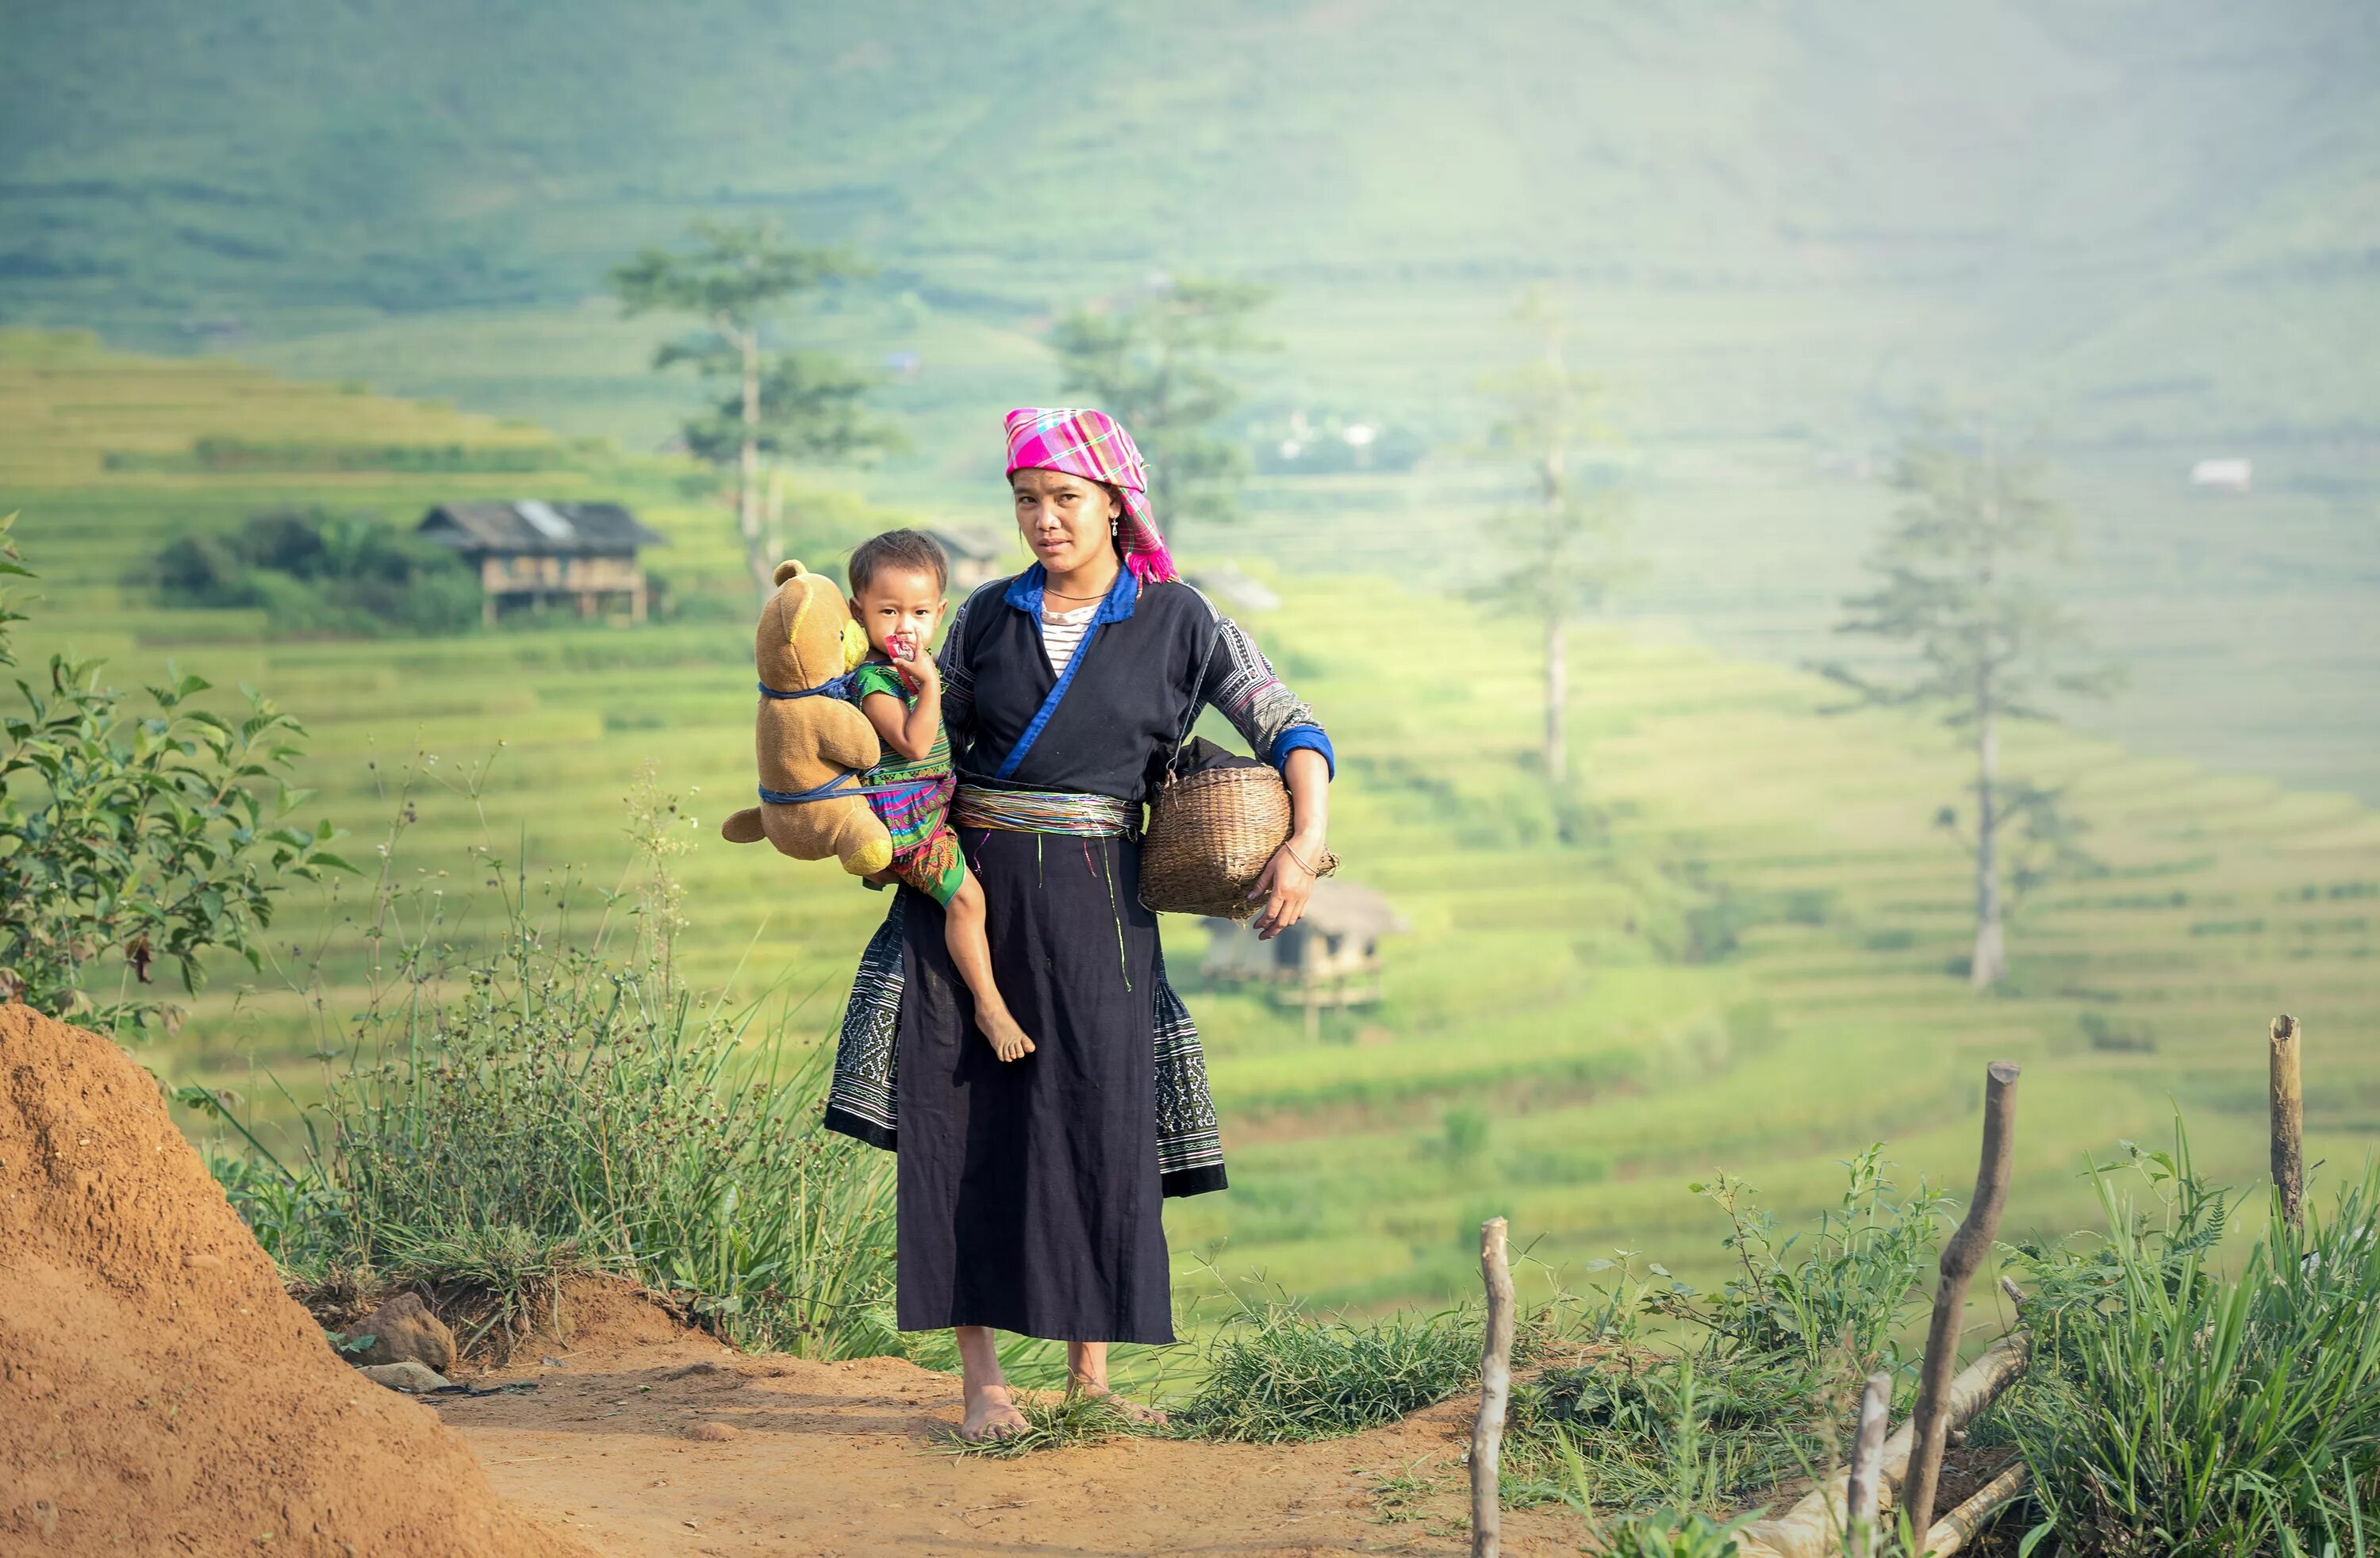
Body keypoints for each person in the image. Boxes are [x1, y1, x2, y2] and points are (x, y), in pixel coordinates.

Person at [823, 407, 1334, 1441]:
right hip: (970, 888)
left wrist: (1303, 844)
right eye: (1026, 501)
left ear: (1115, 503)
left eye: (1064, 499)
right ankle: (983, 1391)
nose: (1044, 520)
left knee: (1098, 1120)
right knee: (958, 1128)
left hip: (1102, 903)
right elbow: (923, 743)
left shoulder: (1182, 620)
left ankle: (1089, 1382)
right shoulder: (982, 618)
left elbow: (1289, 725)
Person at [841, 528, 1037, 1063]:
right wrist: (928, 686)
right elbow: (914, 740)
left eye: (920, 614)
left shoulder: (908, 672)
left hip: (931, 811)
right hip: (907, 825)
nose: (906, 626)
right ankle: (988, 1005)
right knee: (968, 902)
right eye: (888, 612)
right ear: (859, 613)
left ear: (940, 612)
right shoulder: (874, 682)